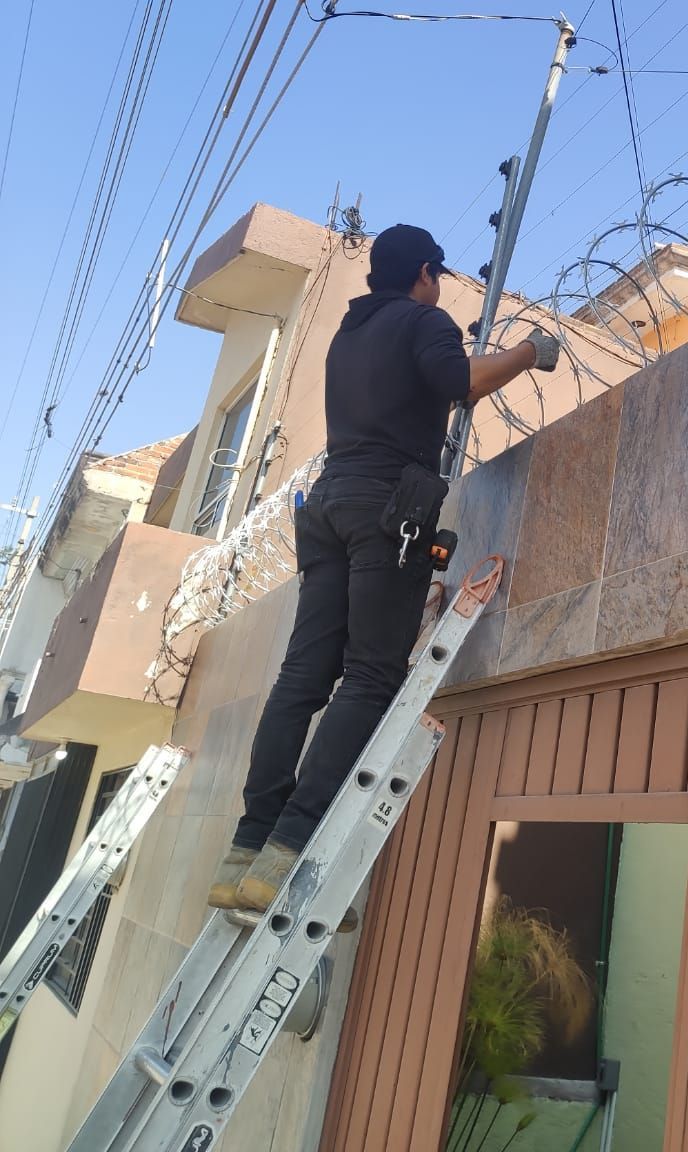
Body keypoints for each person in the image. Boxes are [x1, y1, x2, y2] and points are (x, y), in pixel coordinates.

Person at [207, 222, 558, 918]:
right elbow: (458, 380)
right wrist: (527, 351)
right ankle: (290, 845)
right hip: (386, 509)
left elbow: (431, 394)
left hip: (331, 504)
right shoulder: (421, 321)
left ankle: (247, 848)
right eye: (439, 278)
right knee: (370, 674)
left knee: (302, 677)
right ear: (425, 272)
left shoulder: (353, 334)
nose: (440, 289)